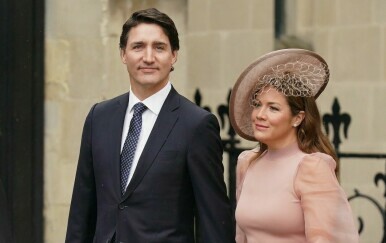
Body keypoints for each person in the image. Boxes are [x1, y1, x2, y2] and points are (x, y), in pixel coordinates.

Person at [65, 8, 234, 243]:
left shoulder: (197, 125)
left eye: (159, 47)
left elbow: (213, 220)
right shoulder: (99, 117)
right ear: (123, 54)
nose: (148, 57)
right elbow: (81, 211)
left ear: (174, 55)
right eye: (138, 47)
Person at [229, 49, 359, 242]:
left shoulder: (311, 168)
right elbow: (242, 237)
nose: (260, 115)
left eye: (273, 108)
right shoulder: (247, 163)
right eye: (257, 104)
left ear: (297, 118)